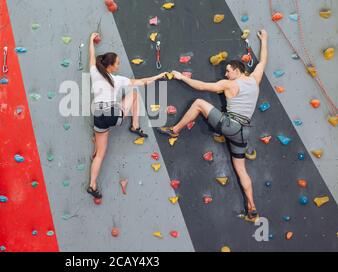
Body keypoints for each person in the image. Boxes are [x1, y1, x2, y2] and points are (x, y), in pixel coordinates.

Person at [158, 30, 269, 220]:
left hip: (231, 125)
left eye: (227, 70)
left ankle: (175, 130)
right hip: (244, 134)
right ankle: (252, 206)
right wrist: (264, 40)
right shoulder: (254, 80)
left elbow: (201, 86)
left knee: (199, 103)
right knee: (241, 169)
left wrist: (180, 76)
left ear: (237, 70)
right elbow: (263, 62)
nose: (225, 73)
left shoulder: (229, 84)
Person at [88, 32, 166, 199]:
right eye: (117, 63)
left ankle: (92, 185)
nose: (118, 65)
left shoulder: (95, 71)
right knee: (135, 94)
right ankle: (135, 125)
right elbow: (141, 82)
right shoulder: (116, 80)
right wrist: (159, 76)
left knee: (100, 153)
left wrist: (90, 41)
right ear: (110, 66)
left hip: (98, 115)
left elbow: (92, 56)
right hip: (112, 115)